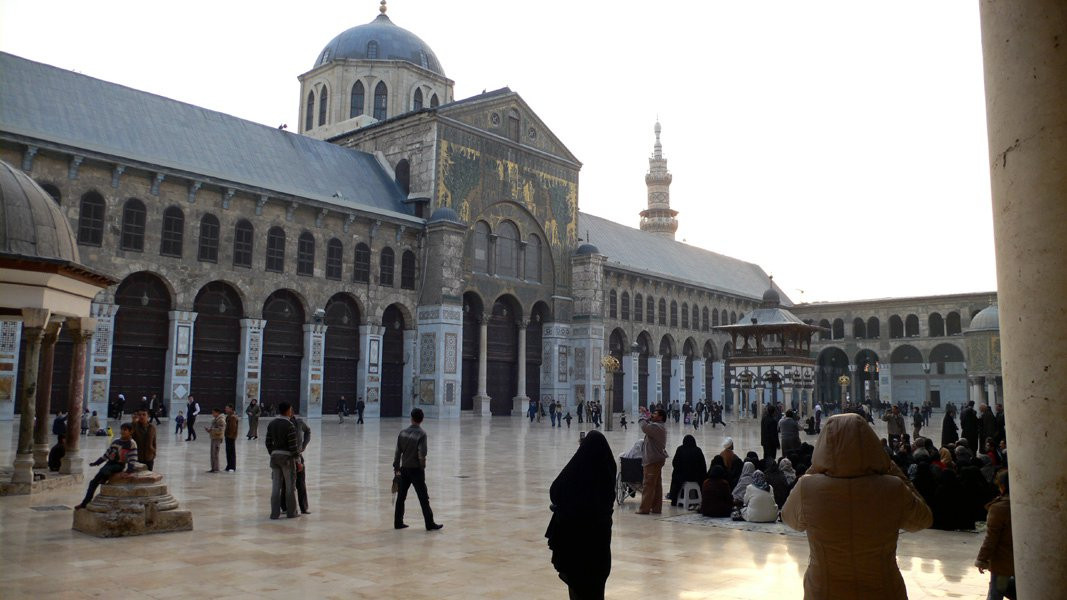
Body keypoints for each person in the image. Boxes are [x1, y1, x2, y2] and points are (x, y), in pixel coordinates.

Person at [782, 413, 932, 600]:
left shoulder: (807, 488)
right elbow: (924, 519)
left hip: (824, 590)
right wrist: (894, 470)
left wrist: (816, 467)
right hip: (883, 589)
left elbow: (789, 519)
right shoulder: (892, 487)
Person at [545, 429, 615, 600]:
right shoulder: (607, 472)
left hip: (577, 548)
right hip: (599, 549)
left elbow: (556, 490)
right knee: (595, 591)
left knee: (579, 590)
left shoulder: (577, 470)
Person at [392, 408, 443, 531]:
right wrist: (422, 467)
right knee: (423, 498)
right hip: (416, 470)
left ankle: (398, 522)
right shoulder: (421, 434)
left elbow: (397, 452)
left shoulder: (403, 433)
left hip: (404, 469)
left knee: (401, 497)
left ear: (411, 418)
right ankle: (429, 523)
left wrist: (396, 468)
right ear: (422, 419)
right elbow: (422, 453)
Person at [75, 422, 138, 509]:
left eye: (125, 430)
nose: (123, 431)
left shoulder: (131, 444)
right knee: (93, 482)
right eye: (122, 429)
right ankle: (85, 503)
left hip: (119, 465)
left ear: (131, 431)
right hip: (110, 463)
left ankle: (104, 478)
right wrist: (96, 463)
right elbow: (107, 455)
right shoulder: (116, 441)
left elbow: (133, 458)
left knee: (104, 471)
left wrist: (129, 471)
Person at [976, 470, 1014, 600]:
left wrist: (982, 559)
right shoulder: (1026, 505)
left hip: (1003, 562)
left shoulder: (1000, 508)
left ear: (1002, 486)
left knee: (996, 593)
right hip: (1024, 560)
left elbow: (991, 538)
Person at [265, 402, 300, 519]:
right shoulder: (289, 425)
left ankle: (274, 513)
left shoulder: (272, 423)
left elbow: (268, 442)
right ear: (288, 411)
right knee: (290, 487)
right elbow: (293, 446)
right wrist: (298, 461)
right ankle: (292, 512)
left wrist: (273, 452)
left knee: (275, 487)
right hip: (287, 458)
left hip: (274, 457)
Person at [635, 407, 667, 515]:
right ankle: (656, 508)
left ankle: (644, 509)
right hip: (657, 459)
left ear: (660, 417)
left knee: (648, 484)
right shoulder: (659, 426)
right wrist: (647, 413)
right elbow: (649, 423)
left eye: (655, 414)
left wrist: (642, 415)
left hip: (652, 460)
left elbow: (644, 427)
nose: (652, 415)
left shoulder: (656, 427)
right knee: (656, 485)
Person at [282, 410, 312, 515]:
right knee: (285, 483)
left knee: (301, 483)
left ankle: (304, 507)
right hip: (286, 457)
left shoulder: (299, 422)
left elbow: (308, 431)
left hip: (298, 457)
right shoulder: (282, 423)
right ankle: (285, 507)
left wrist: (304, 445)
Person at [668, 434, 707, 506]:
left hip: (682, 477)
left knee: (675, 476)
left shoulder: (680, 449)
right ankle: (698, 498)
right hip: (695, 477)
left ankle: (674, 498)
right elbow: (703, 466)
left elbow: (675, 463)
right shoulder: (698, 450)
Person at [205, 407, 224, 473]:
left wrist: (212, 430)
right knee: (212, 453)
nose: (212, 414)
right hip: (213, 437)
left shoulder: (221, 420)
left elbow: (221, 430)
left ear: (217, 413)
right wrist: (209, 430)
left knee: (215, 453)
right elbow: (213, 428)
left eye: (214, 412)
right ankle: (213, 467)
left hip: (217, 438)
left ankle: (216, 468)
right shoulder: (215, 420)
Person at [761, 404, 780, 469]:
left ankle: (766, 470)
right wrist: (777, 444)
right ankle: (771, 471)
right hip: (771, 443)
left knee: (766, 456)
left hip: (764, 442)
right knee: (771, 457)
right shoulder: (773, 421)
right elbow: (774, 434)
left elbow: (762, 431)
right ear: (773, 412)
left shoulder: (764, 419)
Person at [224, 404, 239, 472]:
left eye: (227, 408)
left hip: (231, 437)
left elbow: (233, 428)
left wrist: (230, 435)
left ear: (231, 409)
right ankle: (228, 465)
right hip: (228, 436)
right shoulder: (228, 416)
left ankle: (232, 467)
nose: (226, 409)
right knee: (228, 452)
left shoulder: (233, 417)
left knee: (231, 452)